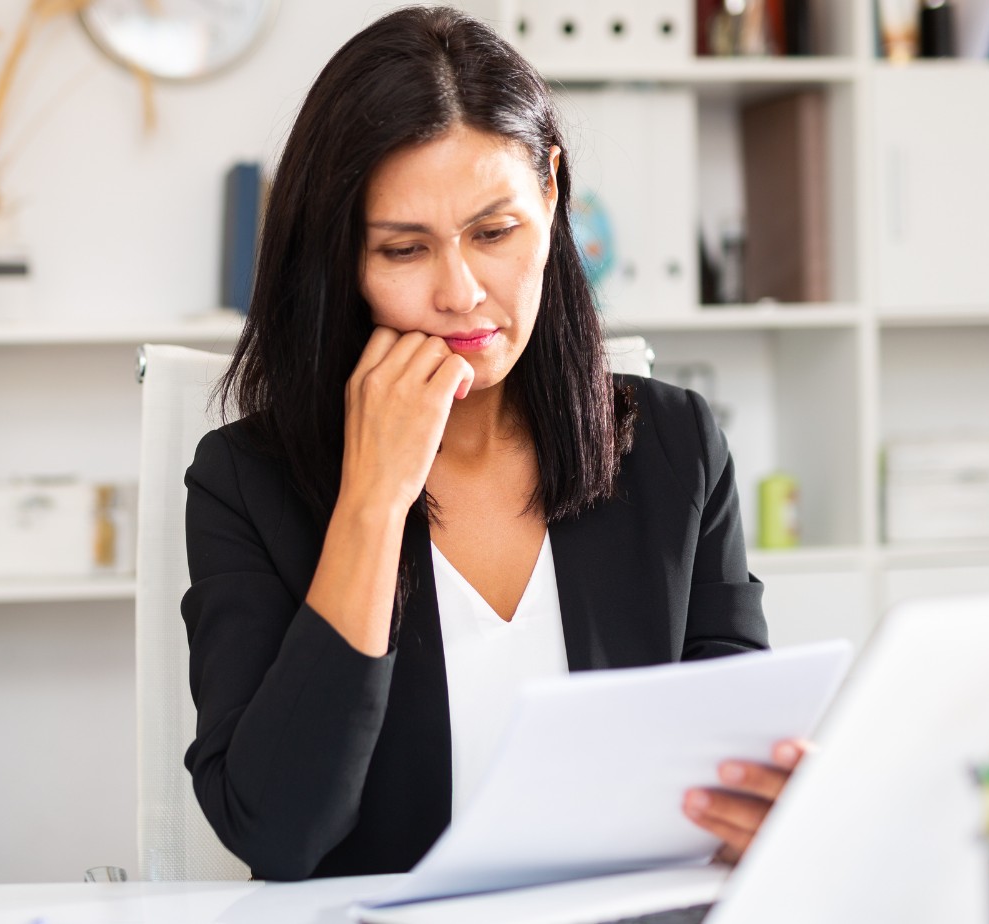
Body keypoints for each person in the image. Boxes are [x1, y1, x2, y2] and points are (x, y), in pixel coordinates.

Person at [181, 5, 797, 882]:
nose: (462, 292)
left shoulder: (675, 446)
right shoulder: (245, 482)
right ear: (342, 260)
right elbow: (279, 832)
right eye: (404, 249)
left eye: (494, 233)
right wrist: (372, 499)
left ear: (550, 193)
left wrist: (765, 805)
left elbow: (730, 763)